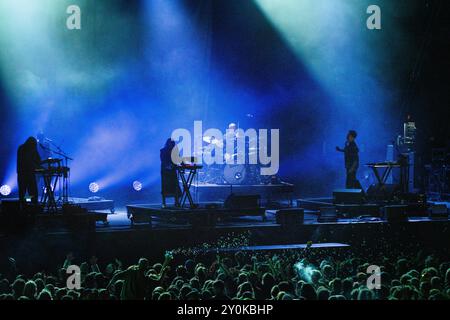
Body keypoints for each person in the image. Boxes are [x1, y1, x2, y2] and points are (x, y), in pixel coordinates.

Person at [17, 137, 41, 204]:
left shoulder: (31, 149)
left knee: (31, 192)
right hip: (24, 173)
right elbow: (27, 161)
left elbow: (38, 159)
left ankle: (28, 203)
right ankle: (25, 204)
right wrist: (37, 166)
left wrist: (38, 164)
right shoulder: (22, 148)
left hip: (28, 173)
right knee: (24, 192)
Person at [160, 138, 181, 207]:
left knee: (175, 186)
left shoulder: (175, 151)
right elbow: (163, 160)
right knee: (165, 186)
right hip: (165, 171)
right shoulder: (163, 151)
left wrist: (184, 164)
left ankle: (176, 202)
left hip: (172, 170)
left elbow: (179, 159)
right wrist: (169, 165)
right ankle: (164, 203)